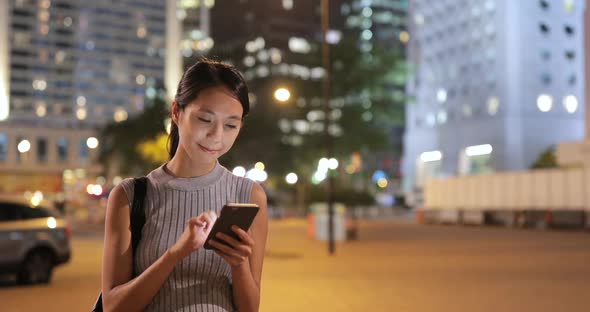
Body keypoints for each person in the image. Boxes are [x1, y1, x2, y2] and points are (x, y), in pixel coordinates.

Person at [101, 59, 268, 312]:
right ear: (177, 112)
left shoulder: (248, 195)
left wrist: (239, 264)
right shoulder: (131, 195)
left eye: (231, 125)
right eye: (205, 119)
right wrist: (176, 253)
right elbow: (113, 306)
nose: (217, 136)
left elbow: (250, 308)